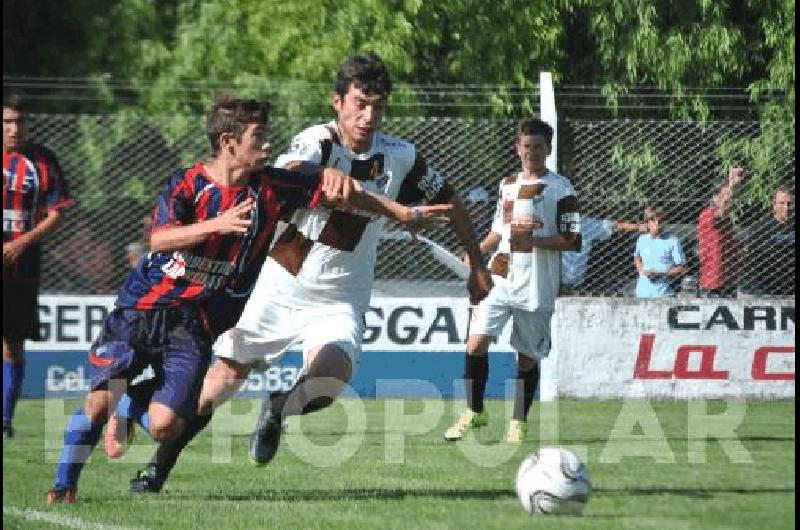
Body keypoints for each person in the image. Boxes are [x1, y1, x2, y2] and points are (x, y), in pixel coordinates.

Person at [45, 92, 448, 504]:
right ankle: (64, 484)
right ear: (228, 142)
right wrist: (216, 225)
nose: (269, 145)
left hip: (194, 322)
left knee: (166, 426)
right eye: (259, 137)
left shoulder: (274, 188)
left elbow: (340, 195)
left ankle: (133, 402)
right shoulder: (187, 184)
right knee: (97, 402)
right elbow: (159, 239)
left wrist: (396, 210)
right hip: (143, 309)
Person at [126, 53, 492, 493]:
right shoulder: (317, 141)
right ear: (338, 101)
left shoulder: (400, 157)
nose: (368, 115)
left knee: (328, 381)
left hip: (341, 298)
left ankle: (278, 409)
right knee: (212, 390)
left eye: (377, 105)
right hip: (279, 287)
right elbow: (289, 170)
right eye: (359, 103)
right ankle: (156, 470)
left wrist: (476, 264)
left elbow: (450, 202)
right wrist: (326, 174)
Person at [444, 118, 581, 444]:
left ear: (548, 149)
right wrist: (475, 252)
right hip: (500, 275)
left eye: (538, 147)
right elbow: (498, 230)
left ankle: (518, 421)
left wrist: (533, 242)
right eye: (526, 146)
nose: (531, 153)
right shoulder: (507, 184)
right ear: (517, 148)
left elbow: (573, 239)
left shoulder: (563, 189)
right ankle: (474, 411)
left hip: (537, 282)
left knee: (525, 356)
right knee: (475, 343)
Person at [3, 92, 74, 439]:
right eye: (7, 122)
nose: (14, 129)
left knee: (12, 342)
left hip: (20, 266)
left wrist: (21, 242)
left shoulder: (42, 161)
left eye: (20, 122)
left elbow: (57, 211)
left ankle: (4, 421)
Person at [560, 216, 644, 294]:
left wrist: (638, 227)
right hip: (558, 279)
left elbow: (614, 226)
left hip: (575, 281)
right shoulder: (554, 225)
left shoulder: (584, 223)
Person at [697, 166, 744, 297]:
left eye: (730, 197)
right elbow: (718, 219)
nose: (729, 199)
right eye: (725, 196)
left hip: (728, 280)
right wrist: (731, 185)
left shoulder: (726, 216)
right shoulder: (707, 214)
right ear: (715, 196)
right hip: (712, 284)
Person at [740, 185, 795, 297]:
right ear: (774, 205)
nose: (786, 208)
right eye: (782, 203)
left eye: (789, 203)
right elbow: (752, 260)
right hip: (766, 289)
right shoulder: (760, 228)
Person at [633, 206, 686, 298]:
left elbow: (681, 268)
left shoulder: (672, 241)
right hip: (642, 293)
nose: (657, 224)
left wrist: (659, 273)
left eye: (660, 221)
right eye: (653, 221)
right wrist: (641, 269)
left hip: (663, 294)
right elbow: (637, 257)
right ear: (647, 223)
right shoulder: (642, 240)